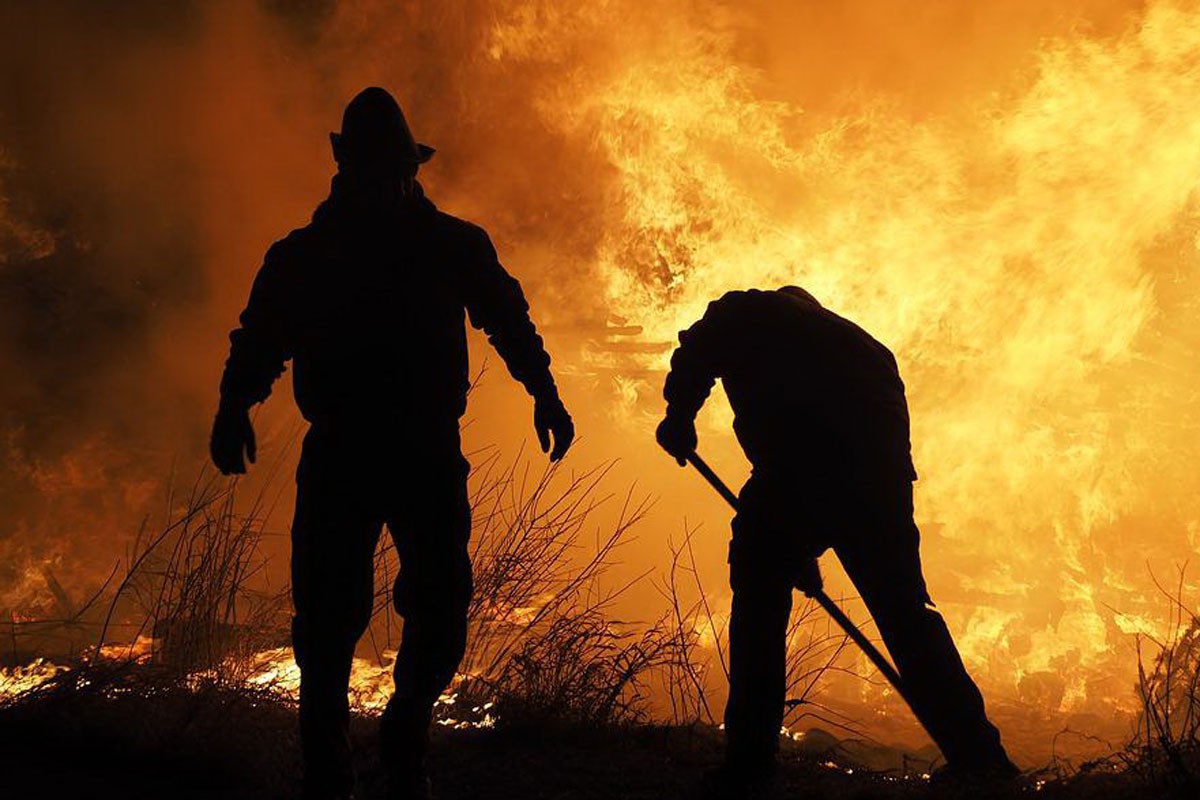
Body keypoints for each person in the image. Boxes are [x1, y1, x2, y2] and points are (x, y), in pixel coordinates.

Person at [210, 87, 574, 800]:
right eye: (372, 169)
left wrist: (545, 391)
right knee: (325, 618)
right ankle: (327, 769)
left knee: (440, 606)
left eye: (394, 169)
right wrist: (233, 404)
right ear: (347, 170)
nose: (385, 182)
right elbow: (261, 338)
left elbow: (506, 318)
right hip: (342, 450)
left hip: (425, 450)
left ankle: (404, 740)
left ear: (411, 170)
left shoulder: (452, 245)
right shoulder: (305, 255)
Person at [655, 286, 1016, 796]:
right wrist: (807, 538)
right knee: (907, 614)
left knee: (758, 590)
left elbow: (696, 352)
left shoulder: (744, 310)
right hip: (879, 483)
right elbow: (878, 457)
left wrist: (678, 416)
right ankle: (982, 759)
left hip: (801, 465)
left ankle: (750, 762)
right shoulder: (866, 347)